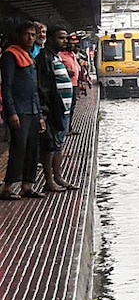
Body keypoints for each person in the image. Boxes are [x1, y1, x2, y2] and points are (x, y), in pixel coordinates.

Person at [1, 21, 46, 199]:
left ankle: (27, 185)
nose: (30, 38)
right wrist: (11, 111)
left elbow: (34, 88)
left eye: (33, 35)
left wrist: (40, 114)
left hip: (33, 110)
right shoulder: (10, 56)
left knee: (32, 149)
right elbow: (6, 86)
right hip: (19, 110)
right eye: (27, 34)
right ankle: (8, 187)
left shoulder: (28, 56)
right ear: (18, 35)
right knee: (19, 148)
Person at [36, 26, 77, 192]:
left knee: (58, 144)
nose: (65, 41)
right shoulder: (44, 58)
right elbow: (43, 87)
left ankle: (58, 177)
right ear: (51, 39)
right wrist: (44, 112)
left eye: (66, 38)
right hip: (53, 110)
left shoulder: (55, 57)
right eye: (62, 38)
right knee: (49, 145)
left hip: (63, 109)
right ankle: (49, 181)